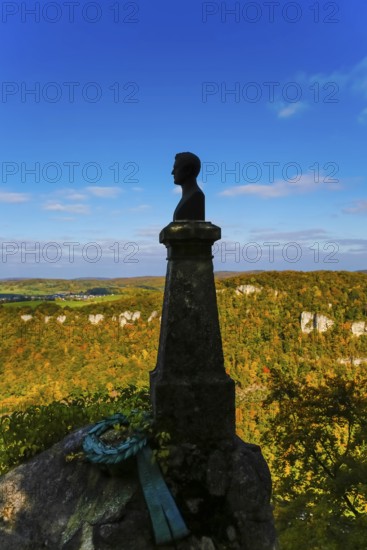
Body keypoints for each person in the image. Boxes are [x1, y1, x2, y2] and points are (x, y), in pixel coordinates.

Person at [172, 152, 205, 221]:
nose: (172, 172)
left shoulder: (196, 195)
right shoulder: (189, 196)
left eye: (176, 168)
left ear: (188, 170)